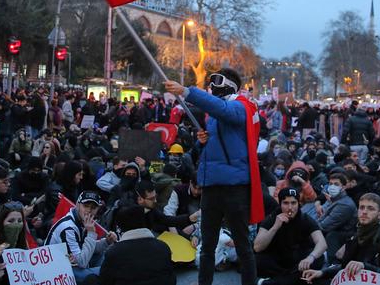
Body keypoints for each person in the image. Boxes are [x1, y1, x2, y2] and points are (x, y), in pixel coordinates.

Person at [165, 68, 263, 285]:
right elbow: (214, 147)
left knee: (242, 244)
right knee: (207, 246)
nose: (212, 85)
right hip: (211, 187)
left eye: (217, 81)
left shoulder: (242, 106)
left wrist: (188, 91)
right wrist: (202, 143)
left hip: (235, 188)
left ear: (231, 84)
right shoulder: (215, 116)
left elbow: (223, 109)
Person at [300, 193, 380, 285]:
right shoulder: (356, 236)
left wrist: (364, 266)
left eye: (370, 208)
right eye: (362, 207)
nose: (364, 212)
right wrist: (322, 272)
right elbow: (345, 267)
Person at [253, 187, 327, 285]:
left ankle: (274, 282)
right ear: (280, 204)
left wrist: (310, 258)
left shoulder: (304, 218)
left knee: (318, 258)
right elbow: (257, 247)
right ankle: (293, 279)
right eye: (286, 203)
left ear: (298, 203)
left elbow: (322, 243)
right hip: (277, 258)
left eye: (293, 203)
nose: (290, 207)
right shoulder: (272, 218)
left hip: (298, 260)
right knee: (256, 260)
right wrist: (275, 227)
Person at [45, 190, 113, 284]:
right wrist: (91, 233)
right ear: (77, 205)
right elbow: (82, 263)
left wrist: (107, 242)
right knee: (109, 271)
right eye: (86, 206)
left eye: (93, 208)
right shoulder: (68, 227)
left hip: (71, 264)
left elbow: (86, 249)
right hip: (56, 273)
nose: (89, 211)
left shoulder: (81, 221)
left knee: (103, 256)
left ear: (97, 209)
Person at [99, 205, 176, 285]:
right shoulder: (163, 247)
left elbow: (104, 281)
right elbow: (171, 278)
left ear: (120, 228)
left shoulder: (114, 253)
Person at [315, 172, 357, 258]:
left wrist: (310, 228)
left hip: (338, 239)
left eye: (336, 184)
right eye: (330, 184)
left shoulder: (344, 205)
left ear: (343, 187)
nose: (332, 186)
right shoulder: (334, 200)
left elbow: (324, 226)